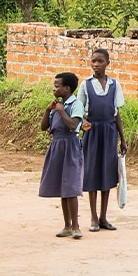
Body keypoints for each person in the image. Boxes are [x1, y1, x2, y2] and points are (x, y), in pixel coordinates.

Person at [79, 48, 126, 232]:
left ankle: (103, 217)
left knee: (107, 173)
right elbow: (78, 109)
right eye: (93, 61)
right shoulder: (86, 85)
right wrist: (83, 123)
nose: (96, 65)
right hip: (92, 132)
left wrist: (122, 138)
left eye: (100, 61)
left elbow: (116, 113)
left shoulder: (114, 85)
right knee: (92, 172)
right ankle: (93, 217)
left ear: (107, 63)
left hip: (109, 132)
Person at [39, 71, 85, 238]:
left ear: (67, 88)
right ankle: (67, 226)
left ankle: (76, 226)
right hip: (57, 146)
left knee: (71, 186)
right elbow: (44, 127)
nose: (54, 89)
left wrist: (61, 111)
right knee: (62, 187)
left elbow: (73, 125)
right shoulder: (56, 106)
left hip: (71, 146)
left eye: (57, 86)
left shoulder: (75, 105)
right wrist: (48, 110)